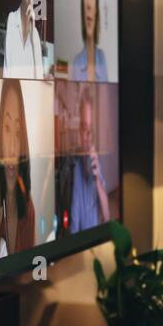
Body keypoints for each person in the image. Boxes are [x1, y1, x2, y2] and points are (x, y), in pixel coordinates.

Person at [0, 78, 36, 253]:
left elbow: (34, 271)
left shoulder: (28, 209)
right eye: (7, 128)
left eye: (18, 132)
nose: (12, 148)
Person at [65, 88, 110, 233]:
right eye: (84, 128)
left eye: (91, 129)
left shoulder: (96, 162)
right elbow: (74, 226)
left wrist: (97, 181)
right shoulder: (75, 168)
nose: (88, 136)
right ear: (79, 131)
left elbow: (107, 216)